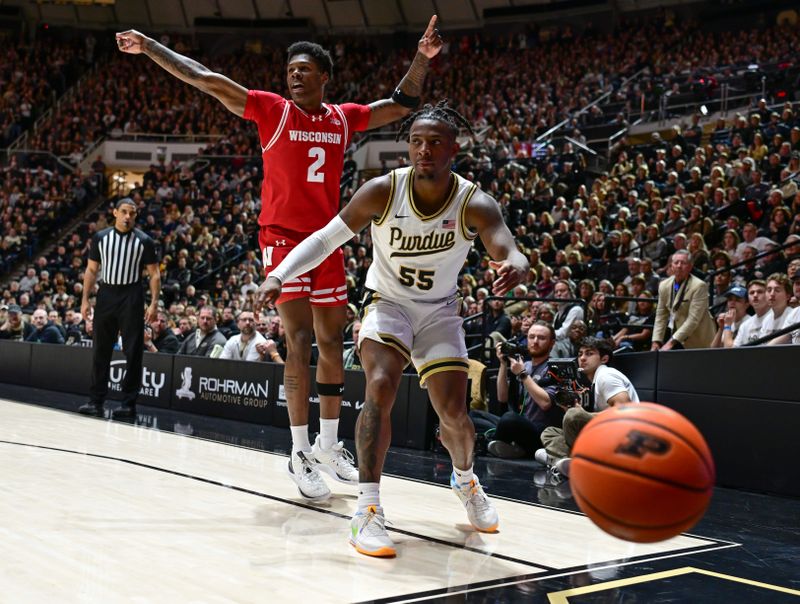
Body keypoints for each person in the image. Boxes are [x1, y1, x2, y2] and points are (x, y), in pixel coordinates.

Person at [116, 16, 443, 492]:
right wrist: (149, 48)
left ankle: (330, 445)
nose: (294, 75)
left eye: (304, 69)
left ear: (324, 77)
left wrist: (422, 58)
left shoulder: (342, 117)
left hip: (328, 239)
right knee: (299, 341)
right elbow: (203, 79)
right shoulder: (271, 109)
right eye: (290, 69)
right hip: (283, 241)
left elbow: (401, 104)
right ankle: (299, 451)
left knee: (333, 343)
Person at [255, 102, 529, 557]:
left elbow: (508, 247)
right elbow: (326, 238)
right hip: (388, 304)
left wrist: (516, 265)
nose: (424, 150)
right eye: (417, 142)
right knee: (379, 387)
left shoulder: (474, 202)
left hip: (440, 311)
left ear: (453, 149)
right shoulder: (383, 190)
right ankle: (368, 509)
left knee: (455, 417)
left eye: (435, 142)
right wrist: (279, 274)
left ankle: (465, 479)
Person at [78, 198, 160, 420]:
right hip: (106, 294)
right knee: (100, 349)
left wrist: (153, 303)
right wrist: (85, 299)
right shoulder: (100, 237)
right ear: (115, 213)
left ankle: (128, 405)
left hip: (132, 295)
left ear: (135, 216)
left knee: (133, 351)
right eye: (123, 212)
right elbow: (92, 270)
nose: (127, 216)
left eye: (132, 213)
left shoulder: (144, 241)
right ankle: (95, 401)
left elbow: (154, 274)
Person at [537, 336, 639, 478]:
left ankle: (559, 459)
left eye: (589, 354)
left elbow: (624, 409)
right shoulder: (594, 380)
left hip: (624, 437)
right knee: (549, 432)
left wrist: (578, 413)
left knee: (574, 415)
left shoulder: (606, 374)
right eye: (580, 354)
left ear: (604, 359)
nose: (583, 358)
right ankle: (571, 462)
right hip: (605, 435)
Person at [488, 321, 562, 459]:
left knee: (508, 419)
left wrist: (522, 375)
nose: (535, 341)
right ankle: (506, 446)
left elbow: (545, 403)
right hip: (521, 424)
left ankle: (497, 443)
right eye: (531, 337)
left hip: (540, 433)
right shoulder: (525, 365)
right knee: (475, 416)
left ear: (552, 343)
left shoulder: (555, 368)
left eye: (541, 338)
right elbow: (502, 397)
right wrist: (503, 364)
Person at [651, 250, 716, 350]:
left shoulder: (699, 286)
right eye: (676, 262)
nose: (679, 266)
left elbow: (693, 320)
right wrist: (656, 340)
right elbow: (661, 315)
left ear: (690, 267)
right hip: (677, 335)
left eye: (683, 263)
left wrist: (671, 342)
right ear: (671, 265)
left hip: (700, 337)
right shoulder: (664, 285)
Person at [732, 280, 770, 346]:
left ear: (768, 295)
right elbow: (734, 350)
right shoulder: (745, 325)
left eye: (760, 292)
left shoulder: (776, 316)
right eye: (752, 293)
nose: (755, 295)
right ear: (748, 300)